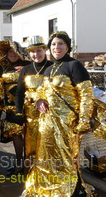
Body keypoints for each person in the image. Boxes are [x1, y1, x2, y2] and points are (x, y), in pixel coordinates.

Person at [22, 32, 95, 196]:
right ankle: (51, 187)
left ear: (67, 46)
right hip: (47, 123)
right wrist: (39, 99)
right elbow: (41, 91)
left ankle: (72, 190)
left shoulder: (74, 65)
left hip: (67, 124)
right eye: (53, 44)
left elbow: (86, 95)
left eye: (60, 43)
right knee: (48, 157)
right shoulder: (48, 69)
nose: (57, 47)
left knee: (67, 158)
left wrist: (83, 121)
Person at [15, 36, 53, 165]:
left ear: (44, 50)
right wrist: (19, 112)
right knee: (31, 142)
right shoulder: (26, 69)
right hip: (30, 113)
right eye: (32, 52)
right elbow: (19, 92)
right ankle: (31, 169)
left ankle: (48, 168)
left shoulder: (53, 67)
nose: (36, 54)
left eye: (39, 51)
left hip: (49, 112)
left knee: (48, 140)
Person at [0, 41, 31, 175]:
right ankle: (19, 164)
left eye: (14, 51)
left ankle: (28, 165)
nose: (12, 54)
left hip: (26, 106)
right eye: (9, 52)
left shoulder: (29, 66)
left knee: (28, 136)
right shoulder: (4, 67)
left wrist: (26, 70)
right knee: (16, 136)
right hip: (9, 107)